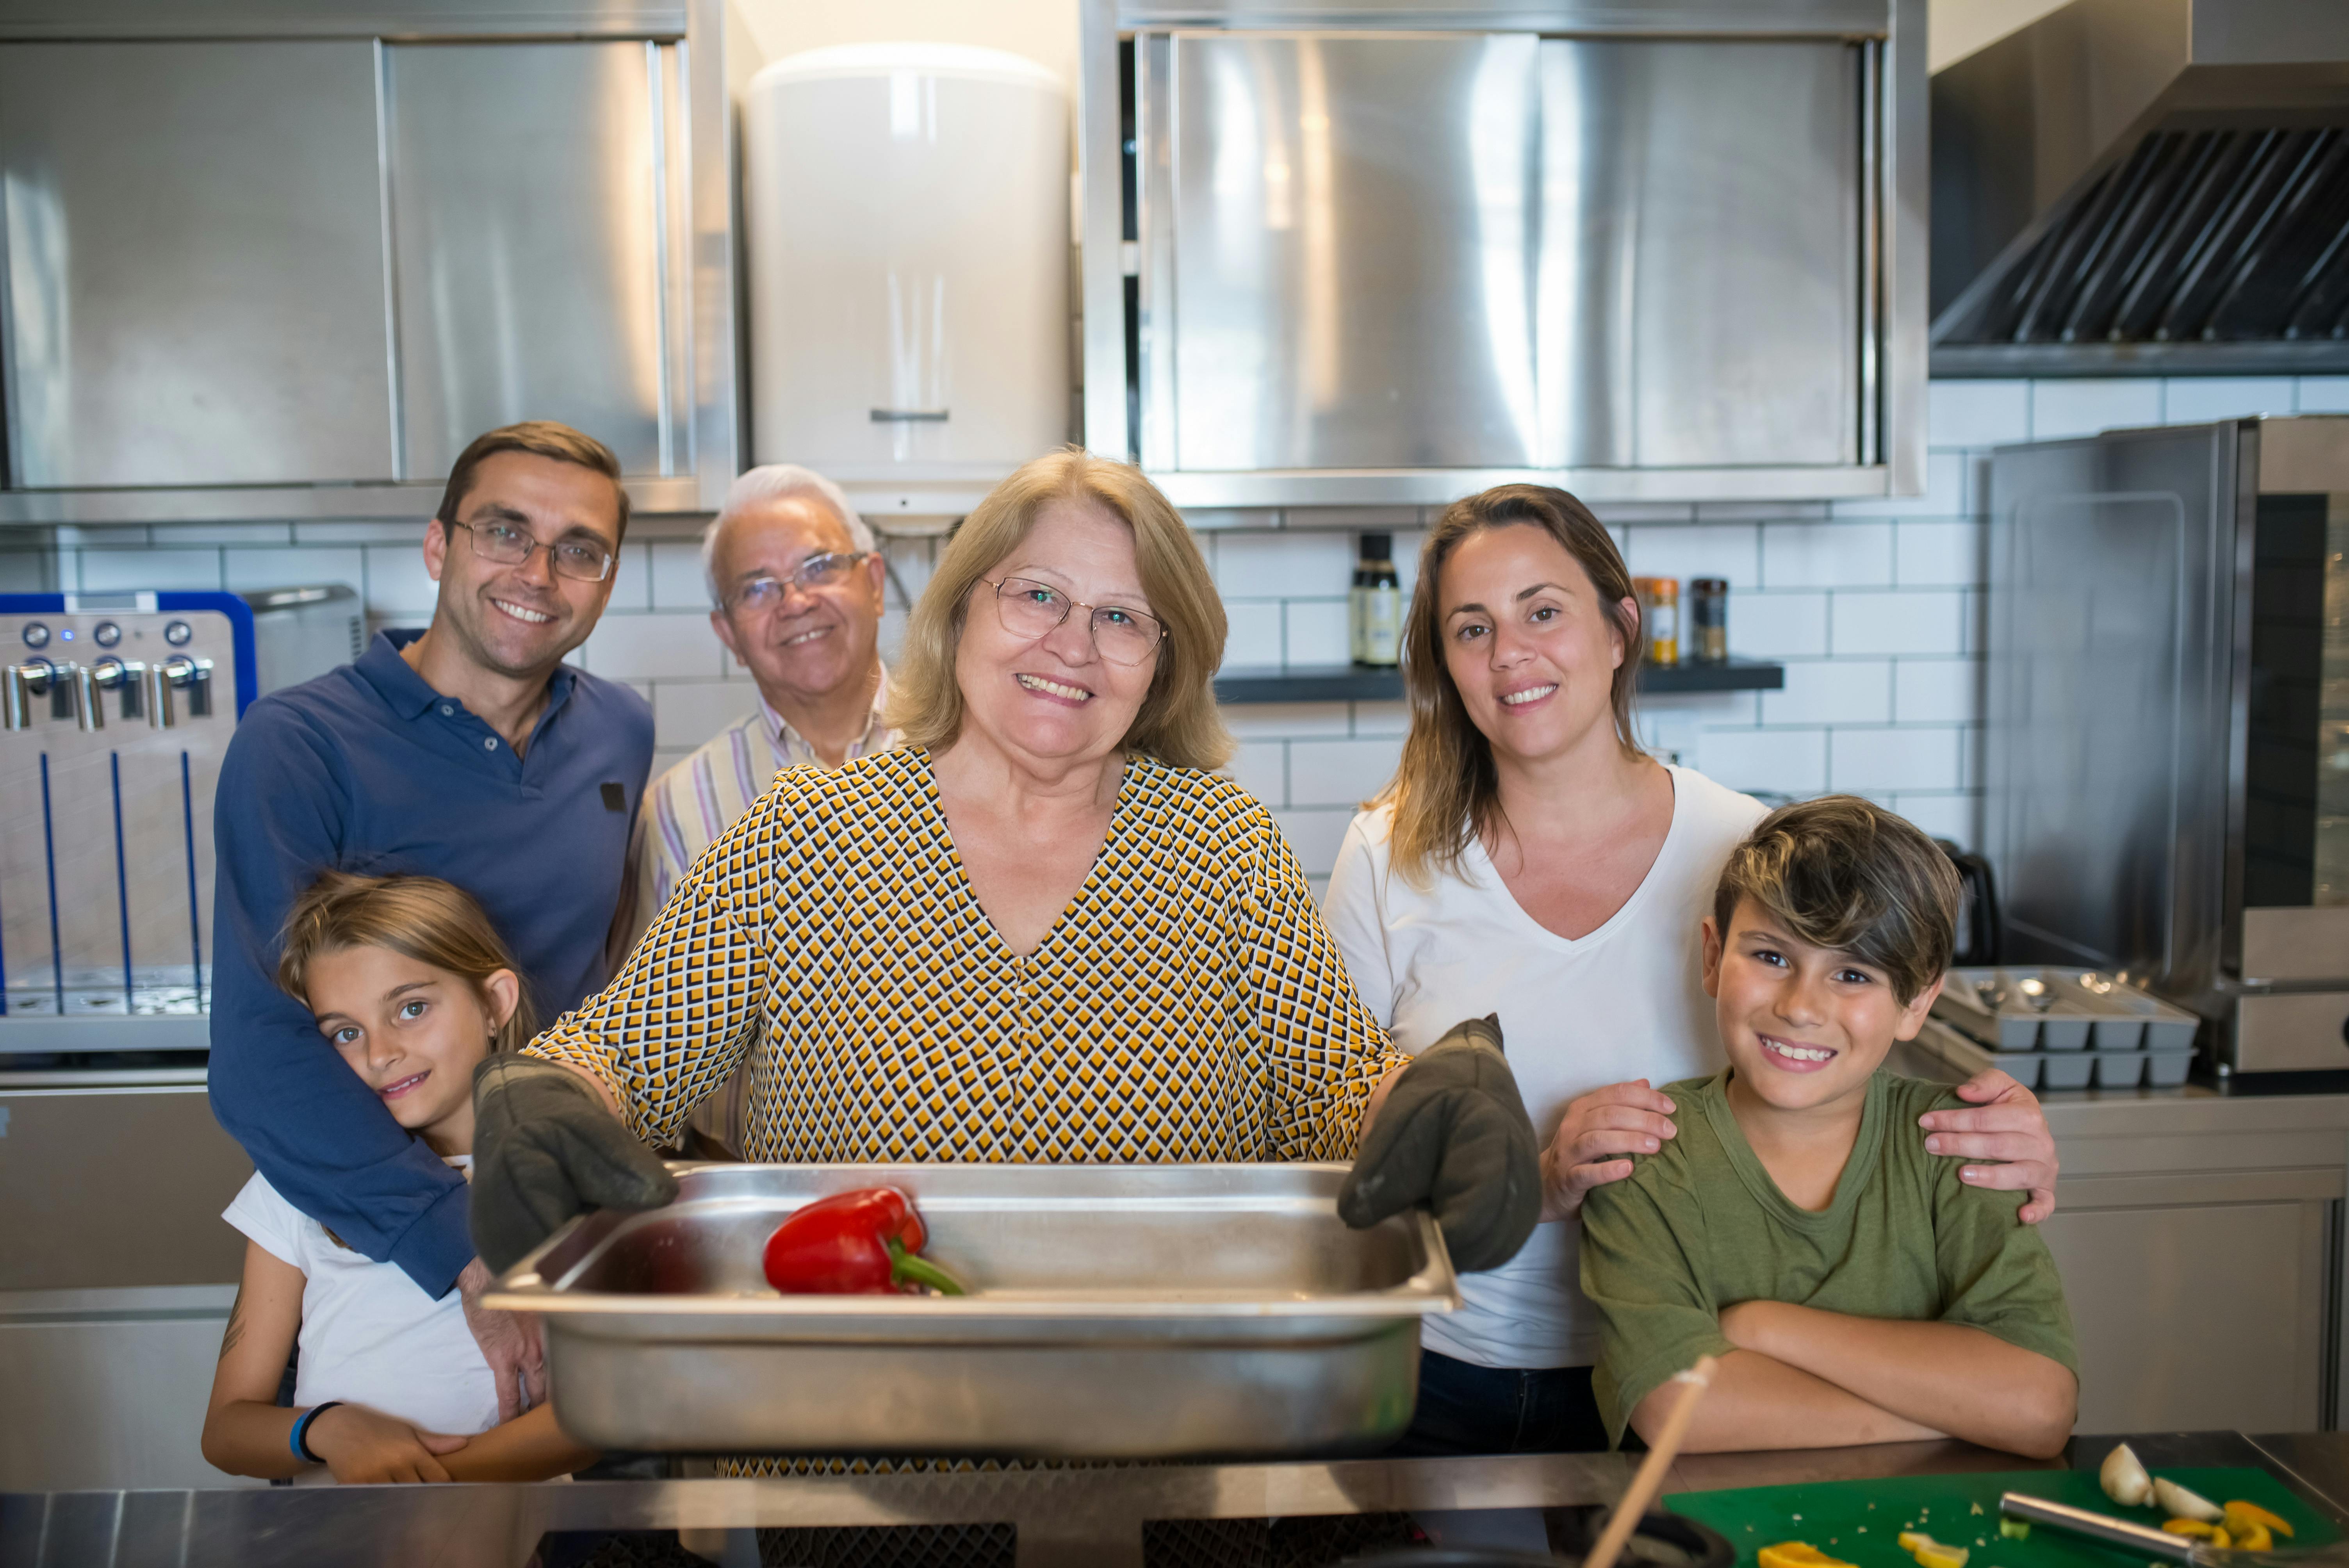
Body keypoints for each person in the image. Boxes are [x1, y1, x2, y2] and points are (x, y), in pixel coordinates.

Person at [462, 450, 1543, 1422]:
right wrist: (550, 1102)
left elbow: (1342, 1095)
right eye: (1037, 595)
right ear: (961, 611)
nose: (1073, 645)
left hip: (1184, 1452)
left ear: (1162, 662)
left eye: (1123, 618)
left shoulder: (1221, 846)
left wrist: (1436, 1109)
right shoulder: (805, 837)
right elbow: (620, 1056)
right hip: (855, 1461)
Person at [1321, 483, 2061, 1456]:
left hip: (1711, 1368)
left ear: (1621, 627)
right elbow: (1342, 1125)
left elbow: (1831, 1056)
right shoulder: (1389, 854)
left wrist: (1993, 1133)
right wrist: (1527, 1181)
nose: (1509, 654)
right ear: (1445, 663)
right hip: (1446, 1368)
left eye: (1543, 611)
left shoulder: (1739, 842)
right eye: (1471, 629)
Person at [207, 421, 653, 1414]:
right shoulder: (300, 744)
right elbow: (260, 1056)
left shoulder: (620, 729)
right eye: (504, 531)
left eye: (578, 549)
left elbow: (601, 967)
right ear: (438, 546)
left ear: (607, 579)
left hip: (556, 1212)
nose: (539, 572)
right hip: (379, 1242)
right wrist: (462, 1253)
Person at [1579, 797, 2078, 1456]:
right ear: (1712, 956)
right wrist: (1964, 1410)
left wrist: (1766, 1328)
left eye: (1852, 974)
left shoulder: (1963, 1146)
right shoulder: (1645, 1156)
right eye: (1772, 957)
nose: (1801, 1007)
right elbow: (1682, 1413)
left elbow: (2038, 1406)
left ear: (1917, 1003)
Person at [201, 873, 601, 1484]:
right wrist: (330, 1430)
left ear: (495, 1004)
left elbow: (593, 1421)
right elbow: (227, 1431)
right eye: (345, 1033)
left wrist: (420, 1480)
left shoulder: (568, 1177)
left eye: (411, 1009)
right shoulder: (299, 1187)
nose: (379, 1053)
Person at [623, 463, 899, 1158]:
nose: (796, 601)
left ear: (874, 582)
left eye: (819, 567)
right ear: (727, 631)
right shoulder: (681, 807)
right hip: (759, 1192)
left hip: (963, 1171)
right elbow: (651, 1039)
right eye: (758, 588)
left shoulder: (978, 755)